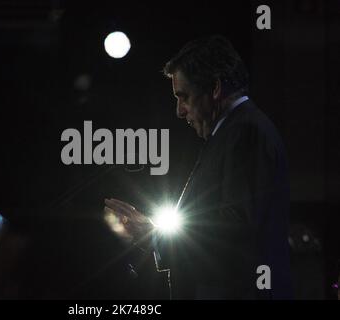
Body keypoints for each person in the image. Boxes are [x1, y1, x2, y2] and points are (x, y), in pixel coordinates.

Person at [104, 35, 292, 299]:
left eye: (184, 97)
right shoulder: (233, 132)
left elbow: (237, 231)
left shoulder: (246, 132)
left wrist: (154, 236)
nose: (180, 111)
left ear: (215, 88)